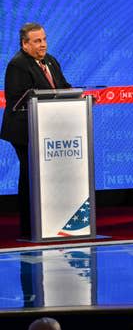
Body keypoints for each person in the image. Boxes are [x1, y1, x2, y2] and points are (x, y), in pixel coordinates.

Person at [1, 22, 72, 238]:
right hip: (26, 131)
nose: (43, 45)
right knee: (30, 173)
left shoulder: (50, 61)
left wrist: (79, 96)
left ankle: (52, 221)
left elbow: (63, 87)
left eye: (44, 39)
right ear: (25, 44)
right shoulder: (18, 65)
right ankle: (29, 226)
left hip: (51, 129)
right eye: (37, 41)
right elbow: (17, 100)